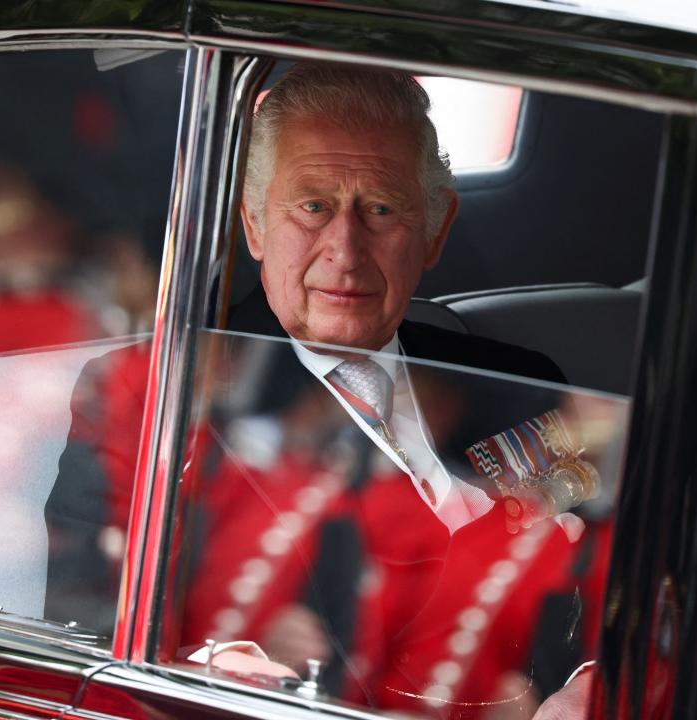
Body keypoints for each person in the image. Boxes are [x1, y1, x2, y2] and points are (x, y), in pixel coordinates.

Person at [48, 62, 608, 719]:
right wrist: (217, 672)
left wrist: (594, 679)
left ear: (434, 230)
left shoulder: (521, 386)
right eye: (313, 206)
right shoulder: (158, 400)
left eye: (380, 208)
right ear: (254, 224)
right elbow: (83, 631)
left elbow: (612, 582)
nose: (344, 248)